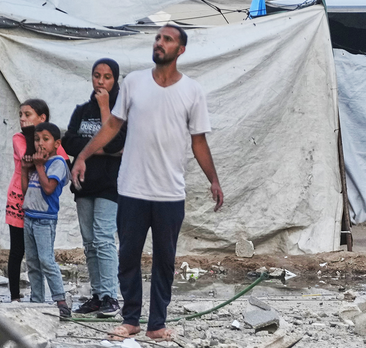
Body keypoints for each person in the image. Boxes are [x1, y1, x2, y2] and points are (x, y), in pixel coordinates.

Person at [70, 24, 225, 341]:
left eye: (168, 39)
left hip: (169, 192)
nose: (160, 42)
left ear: (180, 50)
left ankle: (156, 324)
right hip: (131, 189)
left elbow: (198, 142)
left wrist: (214, 180)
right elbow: (113, 124)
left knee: (164, 262)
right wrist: (82, 155)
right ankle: (130, 319)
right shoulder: (134, 83)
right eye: (158, 37)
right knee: (128, 257)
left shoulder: (191, 91)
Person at [63, 59, 127, 317]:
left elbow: (115, 143)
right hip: (84, 185)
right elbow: (68, 142)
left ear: (115, 80)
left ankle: (111, 296)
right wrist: (100, 149)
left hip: (110, 185)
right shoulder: (81, 110)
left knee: (103, 239)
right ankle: (98, 296)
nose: (101, 81)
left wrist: (104, 107)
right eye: (97, 76)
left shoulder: (121, 111)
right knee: (89, 243)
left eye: (107, 77)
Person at [5, 100, 68, 303]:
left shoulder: (52, 152)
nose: (22, 119)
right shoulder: (19, 137)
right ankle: (21, 298)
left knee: (44, 259)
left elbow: (61, 160)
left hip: (43, 213)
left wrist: (42, 159)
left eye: (28, 114)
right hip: (22, 201)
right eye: (20, 115)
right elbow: (28, 159)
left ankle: (57, 300)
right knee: (21, 253)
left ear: (42, 118)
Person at [21, 122, 71, 318]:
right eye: (36, 139)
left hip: (44, 220)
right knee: (32, 262)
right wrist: (26, 169)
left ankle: (60, 300)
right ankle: (37, 301)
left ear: (56, 143)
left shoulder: (57, 163)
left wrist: (39, 166)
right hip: (30, 217)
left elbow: (49, 188)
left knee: (46, 260)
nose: (40, 143)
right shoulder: (36, 164)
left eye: (45, 139)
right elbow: (27, 192)